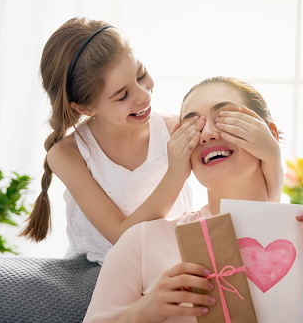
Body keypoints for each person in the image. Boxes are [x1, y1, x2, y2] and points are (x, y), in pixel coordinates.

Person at [72, 77, 303, 323]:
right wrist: (142, 315)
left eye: (225, 118)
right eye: (192, 126)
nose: (206, 133)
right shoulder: (143, 243)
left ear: (270, 134)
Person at [20, 18, 205, 263]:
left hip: (170, 264)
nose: (143, 95)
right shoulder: (69, 154)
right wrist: (176, 173)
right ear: (85, 107)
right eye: (122, 95)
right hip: (100, 271)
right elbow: (121, 236)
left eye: (141, 75)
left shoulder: (175, 128)